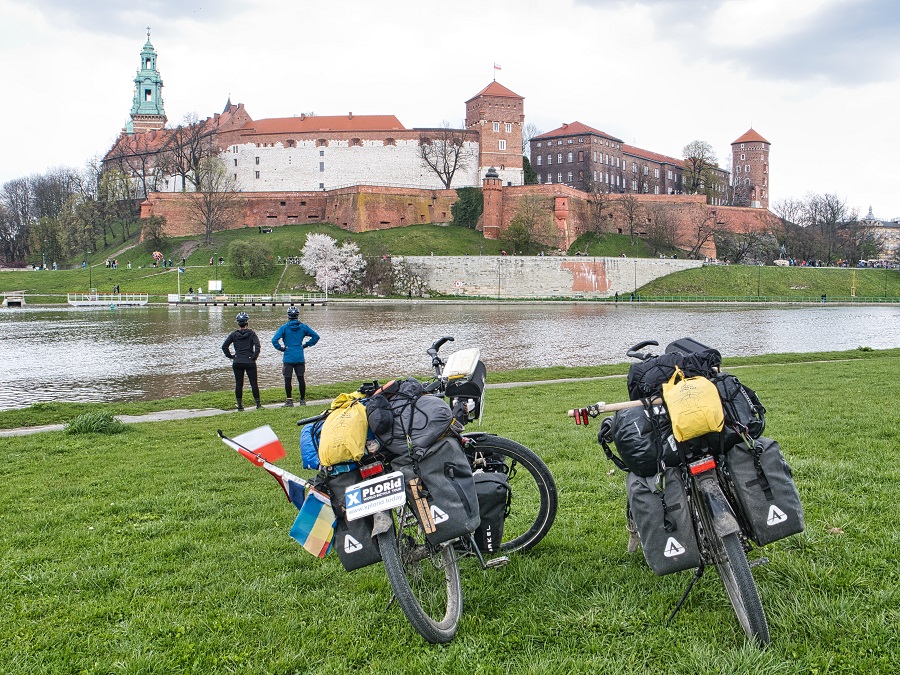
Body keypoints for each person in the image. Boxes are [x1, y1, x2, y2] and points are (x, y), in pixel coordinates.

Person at [271, 305, 319, 407]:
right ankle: (302, 400)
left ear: (288, 316)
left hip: (288, 355)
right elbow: (316, 336)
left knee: (287, 378)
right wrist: (306, 345)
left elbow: (274, 340)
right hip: (299, 355)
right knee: (301, 378)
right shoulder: (303, 327)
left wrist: (281, 348)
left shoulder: (284, 328)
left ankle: (289, 400)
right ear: (297, 315)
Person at [221, 312, 262, 411]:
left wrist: (231, 356)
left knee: (239, 384)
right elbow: (257, 346)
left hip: (238, 361)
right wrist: (254, 357)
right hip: (249, 361)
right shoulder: (252, 334)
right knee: (254, 383)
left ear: (238, 323)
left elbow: (224, 346)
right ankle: (258, 404)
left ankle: (240, 405)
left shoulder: (234, 334)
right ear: (247, 323)